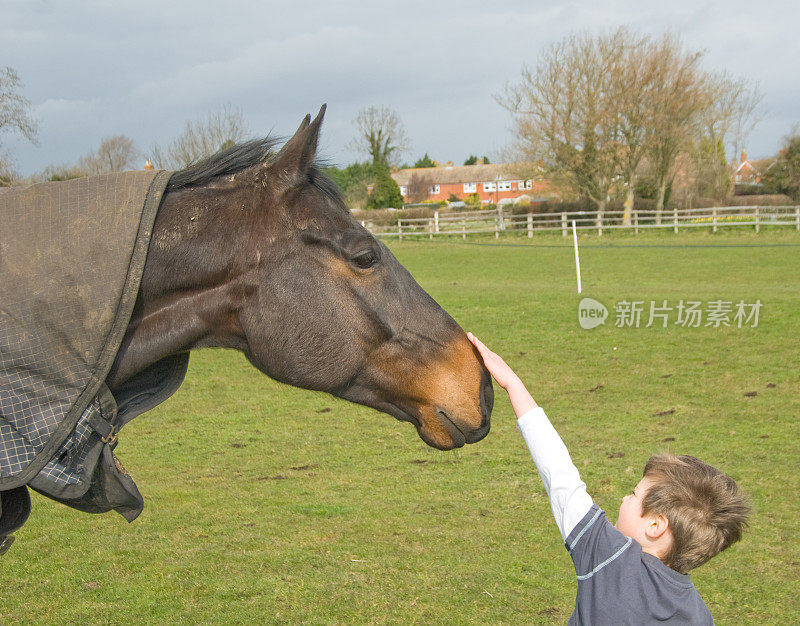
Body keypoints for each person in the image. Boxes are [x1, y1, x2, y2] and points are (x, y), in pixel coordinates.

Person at [467, 332, 750, 625]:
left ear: (655, 525)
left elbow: (560, 475)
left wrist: (513, 383)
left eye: (634, 493)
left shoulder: (612, 558)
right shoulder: (699, 615)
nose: (625, 498)